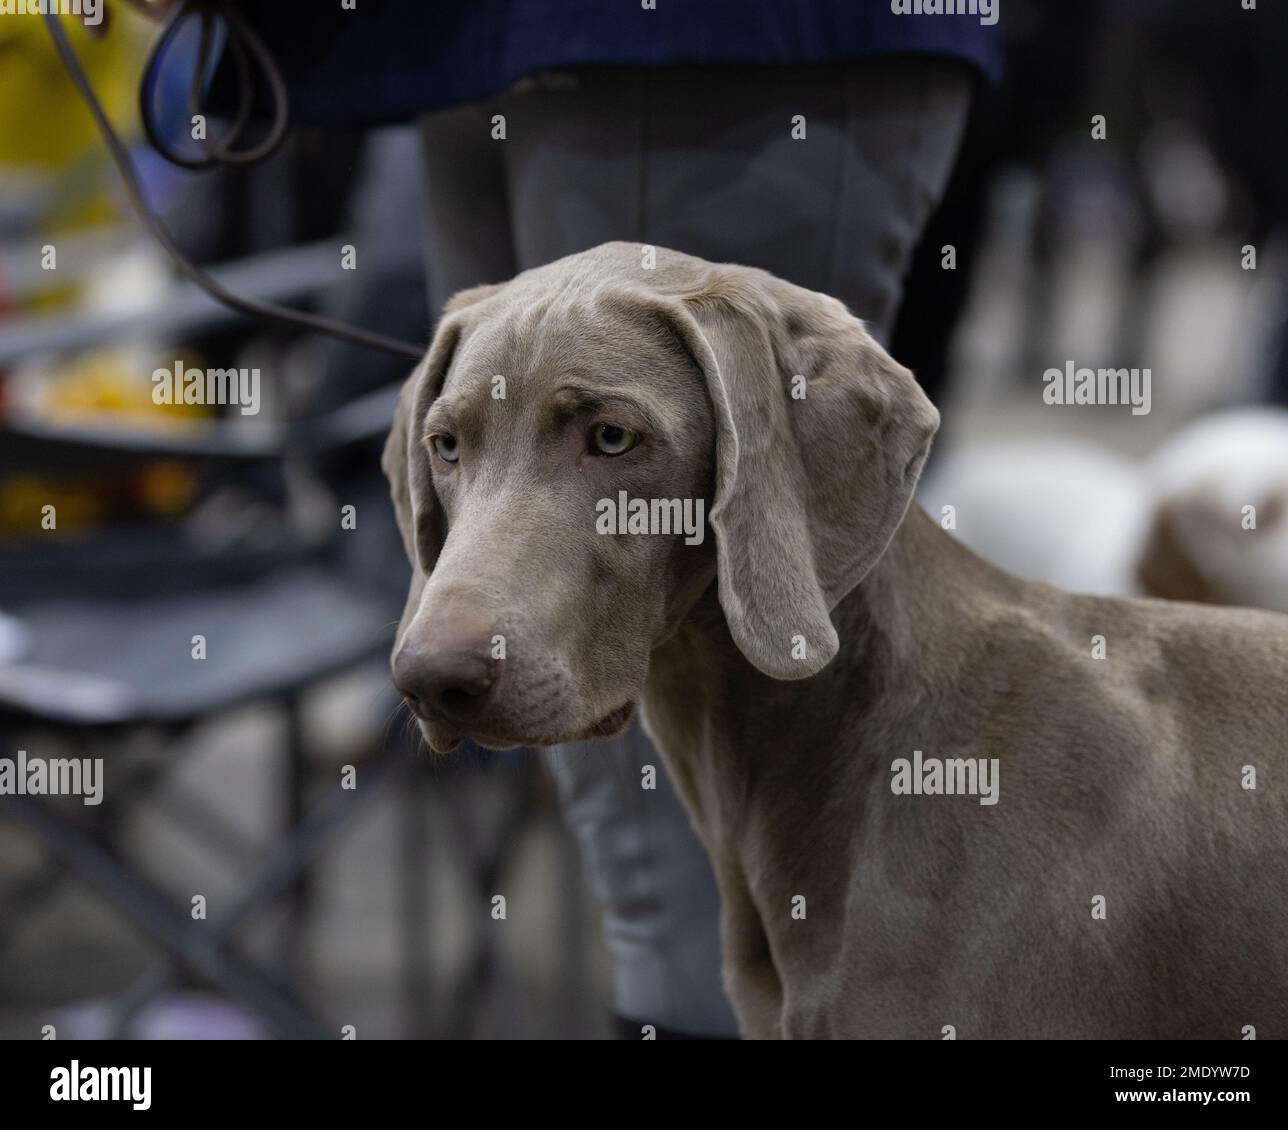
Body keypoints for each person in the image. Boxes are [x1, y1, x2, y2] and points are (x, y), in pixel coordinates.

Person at [224, 0, 998, 1038]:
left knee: (736, 781)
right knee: (623, 806)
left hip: (701, 36)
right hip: (451, 43)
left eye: (610, 440)